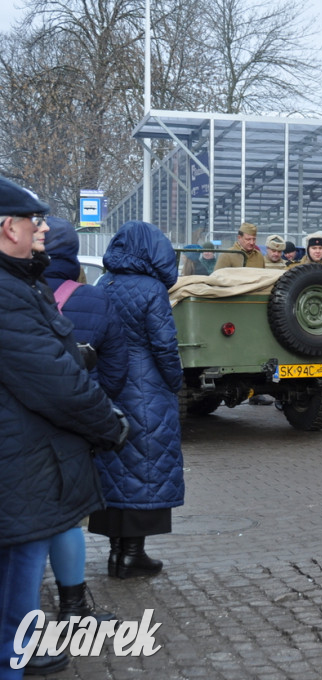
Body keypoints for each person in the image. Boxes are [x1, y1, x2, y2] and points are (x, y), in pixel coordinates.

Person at [1, 177, 126, 678]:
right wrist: (111, 425)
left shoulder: (18, 282)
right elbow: (54, 381)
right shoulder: (7, 292)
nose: (43, 229)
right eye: (34, 221)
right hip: (22, 465)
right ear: (7, 227)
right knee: (20, 569)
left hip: (24, 457)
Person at [42, 217, 128, 626]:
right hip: (74, 423)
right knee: (67, 517)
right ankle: (73, 606)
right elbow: (115, 367)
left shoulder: (18, 294)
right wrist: (98, 406)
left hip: (20, 425)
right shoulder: (94, 299)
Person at [90, 221, 184, 580]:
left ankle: (117, 554)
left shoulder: (104, 283)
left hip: (108, 385)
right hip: (146, 386)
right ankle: (133, 554)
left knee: (115, 468)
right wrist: (174, 381)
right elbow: (164, 345)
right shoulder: (152, 289)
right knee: (144, 468)